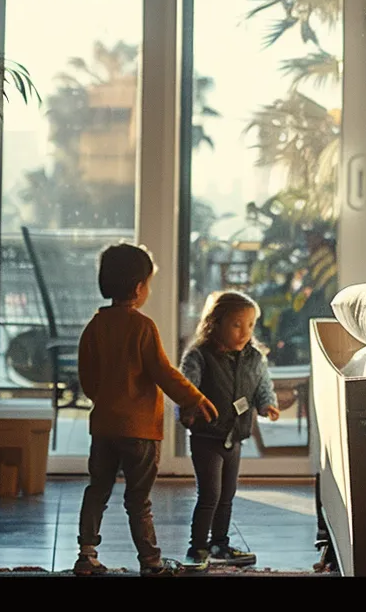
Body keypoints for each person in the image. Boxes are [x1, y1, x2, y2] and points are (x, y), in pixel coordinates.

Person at [73, 242, 220, 577]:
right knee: (138, 501)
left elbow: (87, 378)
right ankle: (151, 563)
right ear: (139, 288)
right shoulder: (142, 327)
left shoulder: (94, 327)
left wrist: (106, 400)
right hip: (139, 430)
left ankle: (86, 555)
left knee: (97, 489)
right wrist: (193, 398)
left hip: (104, 426)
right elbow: (163, 371)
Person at [178, 291, 281, 567]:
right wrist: (188, 409)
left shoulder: (254, 358)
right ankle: (197, 547)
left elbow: (262, 386)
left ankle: (220, 544)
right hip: (206, 437)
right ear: (215, 323)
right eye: (237, 324)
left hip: (234, 438)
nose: (245, 332)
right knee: (209, 495)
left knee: (227, 495)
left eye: (250, 325)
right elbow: (186, 387)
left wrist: (267, 404)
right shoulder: (199, 356)